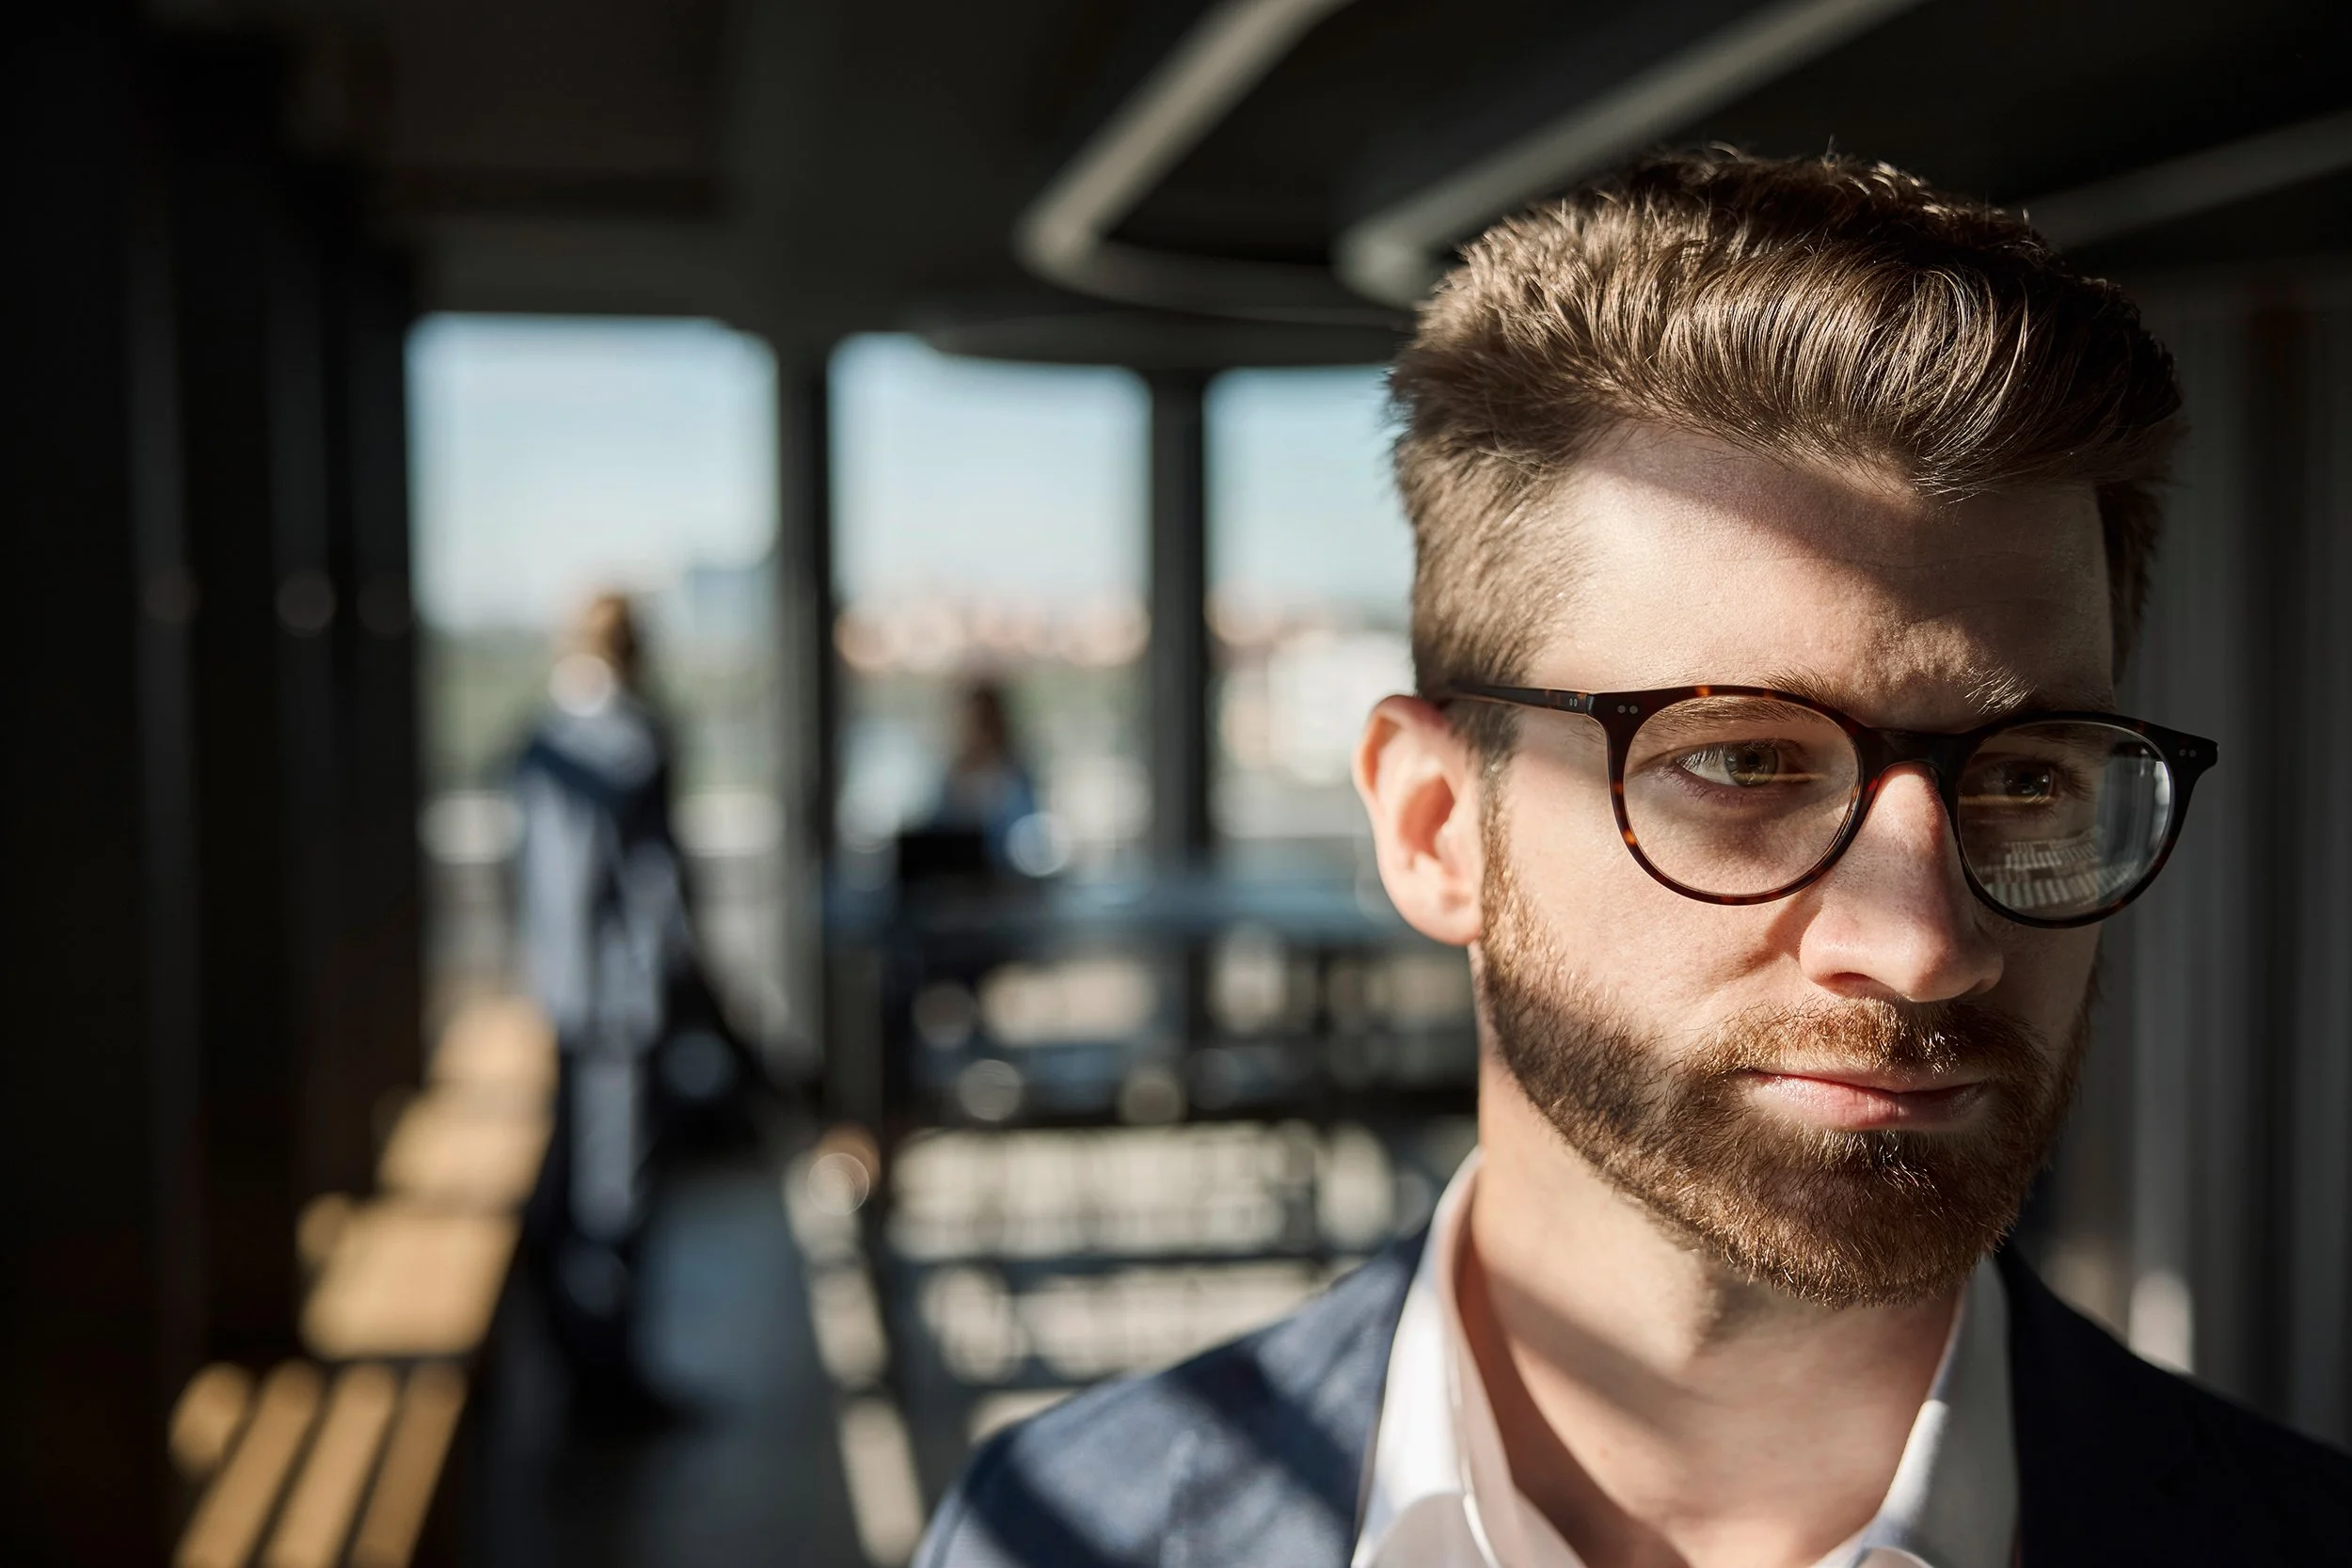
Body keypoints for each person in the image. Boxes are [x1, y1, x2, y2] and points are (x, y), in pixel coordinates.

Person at [913, 150, 2350, 1565]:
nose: (1925, 940)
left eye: (2028, 776)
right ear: (1434, 825)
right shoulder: (1051, 1531)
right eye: (1740, 760)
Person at [513, 592, 693, 1417]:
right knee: (612, 1193)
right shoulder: (633, 741)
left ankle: (586, 1374)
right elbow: (655, 890)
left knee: (578, 1188)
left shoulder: (545, 739)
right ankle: (607, 1388)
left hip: (564, 997)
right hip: (621, 1006)